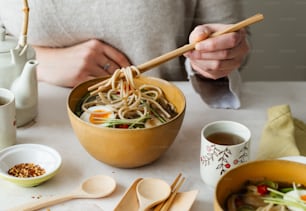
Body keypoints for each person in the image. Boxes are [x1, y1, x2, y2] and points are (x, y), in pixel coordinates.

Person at [0, 0, 249, 109]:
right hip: (30, 124)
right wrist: (38, 62)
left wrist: (215, 56)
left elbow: (232, 33)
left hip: (167, 118)